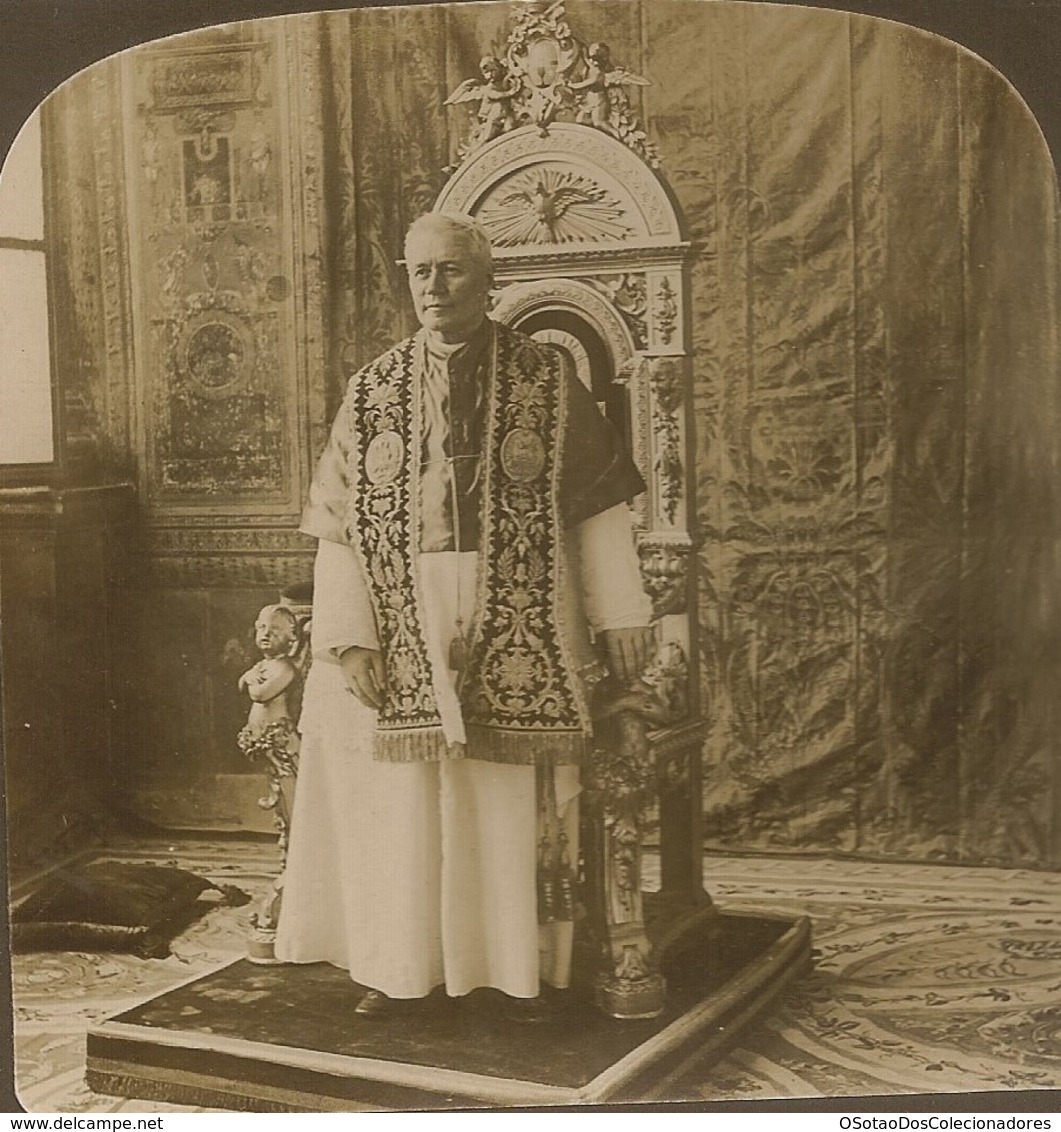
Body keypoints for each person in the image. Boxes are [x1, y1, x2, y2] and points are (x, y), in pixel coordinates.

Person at [274, 211, 655, 1020]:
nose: (433, 287)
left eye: (449, 270)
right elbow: (339, 532)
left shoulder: (548, 379)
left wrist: (621, 610)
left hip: (521, 604)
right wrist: (347, 641)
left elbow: (597, 510)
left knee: (498, 796)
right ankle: (398, 963)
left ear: (488, 280)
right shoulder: (372, 389)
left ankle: (509, 970)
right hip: (398, 607)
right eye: (419, 272)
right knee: (400, 800)